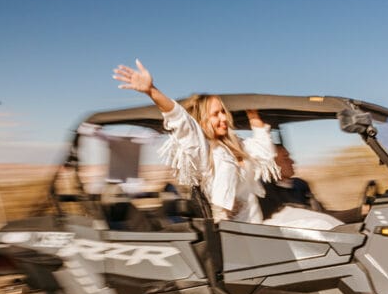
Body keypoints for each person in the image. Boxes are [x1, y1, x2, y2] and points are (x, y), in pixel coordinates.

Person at [113, 60, 277, 224]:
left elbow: (264, 152)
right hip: (229, 231)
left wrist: (253, 116)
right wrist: (152, 91)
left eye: (223, 112)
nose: (223, 118)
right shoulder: (205, 150)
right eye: (215, 114)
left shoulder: (239, 145)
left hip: (256, 226)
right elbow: (182, 122)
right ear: (202, 120)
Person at [258, 144, 325, 219]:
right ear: (271, 165)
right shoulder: (265, 193)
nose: (292, 161)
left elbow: (320, 211)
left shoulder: (300, 184)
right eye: (285, 158)